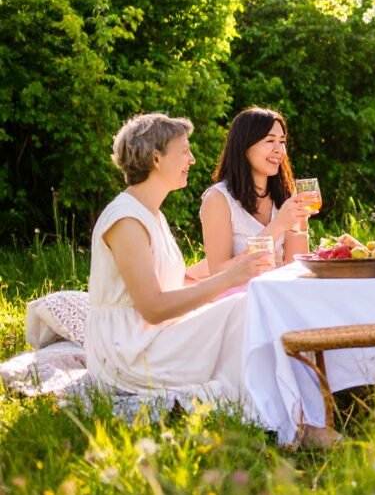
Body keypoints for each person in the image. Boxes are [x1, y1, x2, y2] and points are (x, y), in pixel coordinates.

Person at [86, 113, 274, 403]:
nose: (192, 159)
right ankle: (277, 408)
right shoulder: (126, 220)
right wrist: (228, 278)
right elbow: (153, 308)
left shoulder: (151, 215)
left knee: (249, 305)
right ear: (156, 159)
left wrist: (233, 270)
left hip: (155, 337)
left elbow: (171, 282)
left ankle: (283, 402)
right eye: (184, 151)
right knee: (242, 309)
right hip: (129, 352)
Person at [200, 107, 314, 275]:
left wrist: (299, 225)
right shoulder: (218, 199)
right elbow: (218, 273)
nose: (279, 149)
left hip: (276, 290)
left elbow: (296, 266)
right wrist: (278, 225)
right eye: (270, 141)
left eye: (282, 141)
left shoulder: (284, 194)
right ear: (244, 146)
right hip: (239, 294)